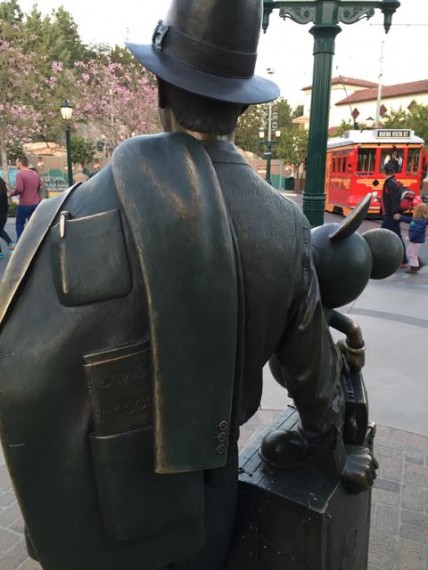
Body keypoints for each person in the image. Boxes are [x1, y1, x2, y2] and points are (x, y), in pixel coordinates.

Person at [0, 1, 376, 570]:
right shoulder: (284, 226)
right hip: (204, 498)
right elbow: (311, 377)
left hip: (83, 507)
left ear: (159, 90)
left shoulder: (69, 208)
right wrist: (334, 456)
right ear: (243, 105)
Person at [8, 155, 41, 241]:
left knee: (19, 223)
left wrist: (10, 194)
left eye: (16, 162)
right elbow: (39, 186)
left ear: (20, 163)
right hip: (35, 203)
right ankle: (35, 241)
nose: (16, 164)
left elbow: (19, 189)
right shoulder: (35, 174)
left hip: (24, 204)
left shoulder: (20, 174)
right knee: (33, 224)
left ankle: (21, 242)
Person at [381, 160, 407, 265]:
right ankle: (402, 260)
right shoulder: (393, 181)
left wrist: (395, 212)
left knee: (382, 235)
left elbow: (394, 199)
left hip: (391, 215)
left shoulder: (390, 183)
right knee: (395, 236)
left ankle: (401, 260)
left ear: (384, 171)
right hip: (391, 214)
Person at [397, 202, 428, 273]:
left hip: (415, 240)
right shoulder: (418, 219)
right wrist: (401, 217)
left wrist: (410, 237)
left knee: (412, 253)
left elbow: (417, 231)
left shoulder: (419, 221)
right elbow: (410, 220)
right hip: (415, 240)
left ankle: (414, 268)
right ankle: (419, 263)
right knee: (410, 252)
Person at [0, 175, 15, 258]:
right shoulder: (3, 188)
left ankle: (10, 243)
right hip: (4, 213)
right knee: (0, 230)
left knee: (0, 231)